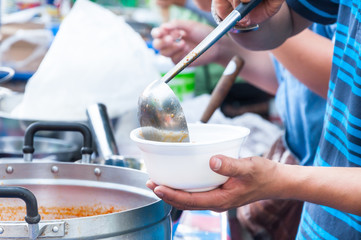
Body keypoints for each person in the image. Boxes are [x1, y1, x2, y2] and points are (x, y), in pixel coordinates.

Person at [147, 0, 361, 239]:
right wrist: (239, 25)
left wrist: (280, 180)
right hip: (320, 221)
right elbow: (285, 25)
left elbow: (327, 75)